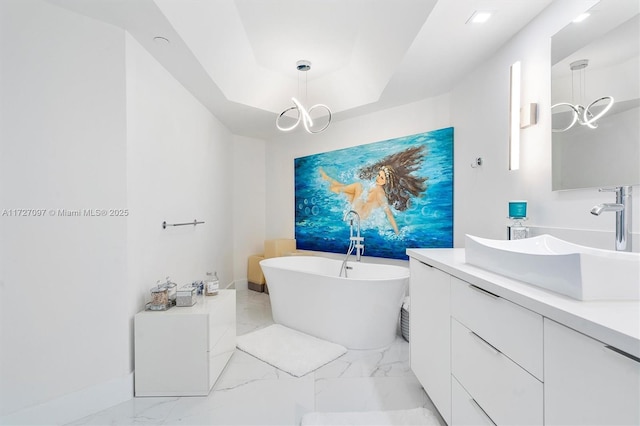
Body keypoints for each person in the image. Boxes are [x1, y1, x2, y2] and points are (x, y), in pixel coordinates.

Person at [319, 145, 428, 234]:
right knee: (351, 191)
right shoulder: (375, 186)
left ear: (386, 182)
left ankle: (331, 185)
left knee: (357, 186)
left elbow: (388, 213)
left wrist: (396, 231)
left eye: (381, 178)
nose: (378, 178)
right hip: (358, 212)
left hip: (360, 216)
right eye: (378, 175)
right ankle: (331, 183)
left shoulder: (380, 193)